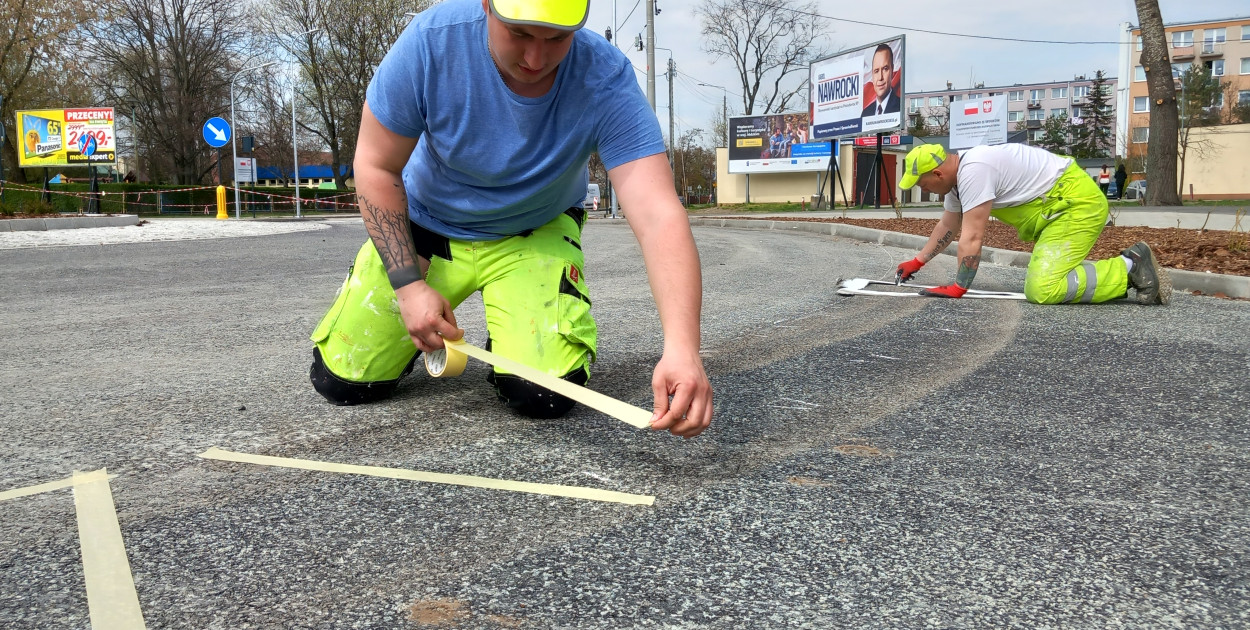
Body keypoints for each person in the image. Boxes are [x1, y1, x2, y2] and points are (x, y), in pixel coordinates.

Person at [308, 0, 713, 437]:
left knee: (544, 396)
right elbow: (374, 165)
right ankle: (410, 325)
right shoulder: (430, 43)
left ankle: (512, 331)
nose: (536, 59)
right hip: (426, 225)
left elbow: (657, 213)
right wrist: (407, 286)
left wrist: (683, 349)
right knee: (342, 382)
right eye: (519, 33)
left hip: (534, 229)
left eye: (557, 38)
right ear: (487, 6)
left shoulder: (604, 76)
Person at [893, 143, 1171, 305]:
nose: (924, 189)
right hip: (1060, 206)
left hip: (1075, 203)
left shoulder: (974, 170)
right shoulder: (958, 181)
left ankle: (1131, 267)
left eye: (922, 183)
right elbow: (949, 225)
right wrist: (917, 262)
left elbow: (973, 236)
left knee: (1043, 289)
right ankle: (1130, 266)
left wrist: (958, 287)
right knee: (1047, 279)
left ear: (938, 174)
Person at [860, 44, 900, 117]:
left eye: (885, 69)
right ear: (872, 74)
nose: (880, 77)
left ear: (892, 69)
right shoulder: (865, 113)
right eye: (876, 71)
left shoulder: (899, 106)